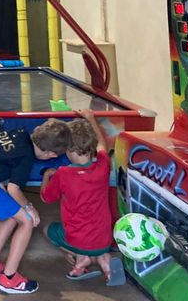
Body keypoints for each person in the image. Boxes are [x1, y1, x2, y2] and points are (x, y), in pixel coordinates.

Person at [0, 118, 72, 295]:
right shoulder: (25, 157)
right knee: (26, 220)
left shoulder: (18, 134)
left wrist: (17, 200)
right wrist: (29, 208)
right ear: (51, 155)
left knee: (12, 215)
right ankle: (9, 279)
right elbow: (14, 188)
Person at [41, 109, 123, 285]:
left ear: (68, 149)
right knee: (96, 244)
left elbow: (46, 198)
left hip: (78, 240)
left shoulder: (63, 174)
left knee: (47, 229)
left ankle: (81, 261)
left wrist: (47, 176)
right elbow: (102, 145)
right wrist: (91, 118)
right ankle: (105, 263)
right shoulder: (103, 166)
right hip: (104, 238)